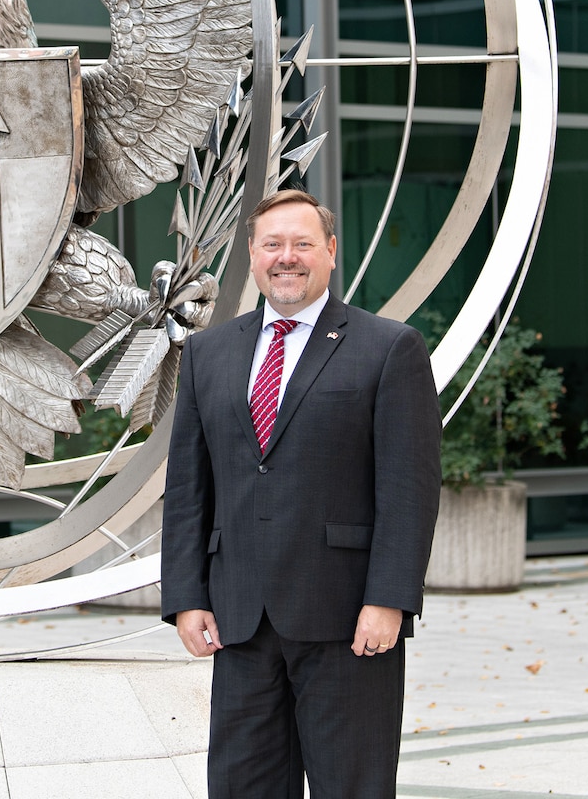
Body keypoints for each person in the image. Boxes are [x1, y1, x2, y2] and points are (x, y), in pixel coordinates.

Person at [161, 188, 441, 798]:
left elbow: (409, 490)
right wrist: (185, 597)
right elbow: (188, 486)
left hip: (348, 621)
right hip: (239, 619)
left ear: (331, 252)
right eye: (272, 245)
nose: (287, 257)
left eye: (302, 244)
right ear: (253, 256)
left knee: (352, 788)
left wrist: (389, 600)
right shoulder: (208, 352)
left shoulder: (389, 348)